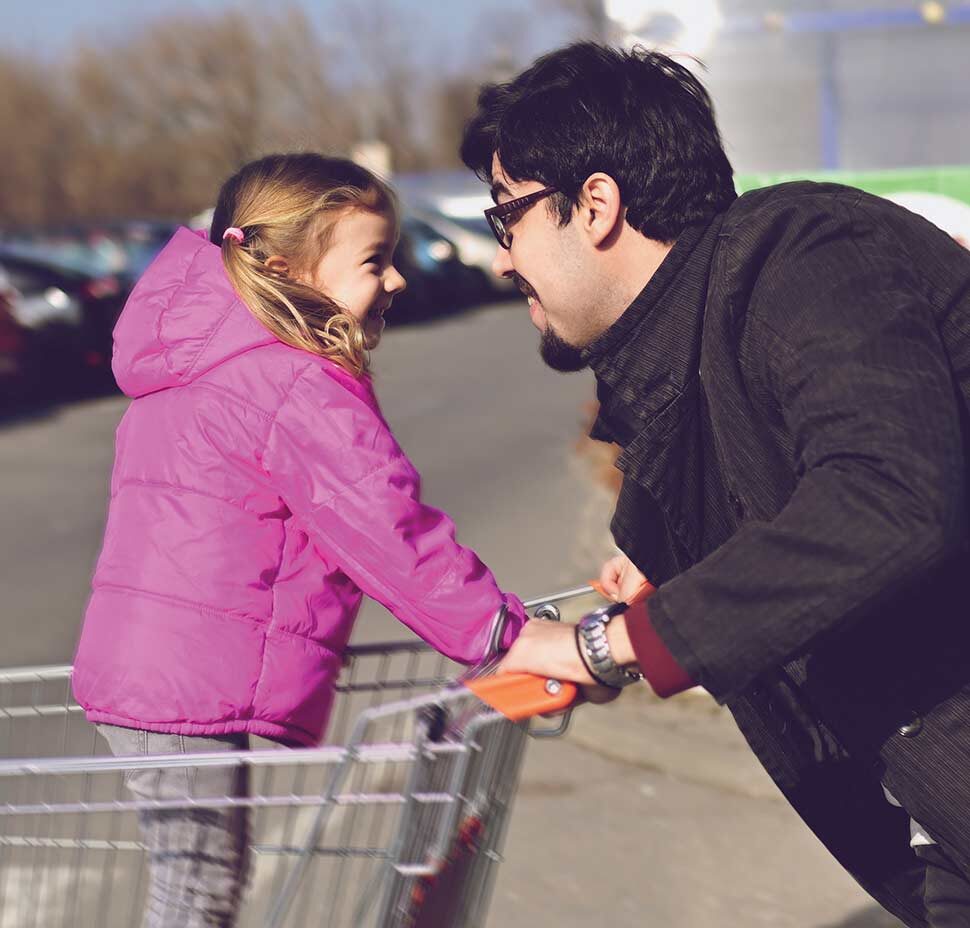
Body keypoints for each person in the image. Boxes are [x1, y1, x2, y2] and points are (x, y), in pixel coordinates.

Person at [469, 42, 970, 927]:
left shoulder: (803, 251)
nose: (503, 258)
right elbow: (748, 463)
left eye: (505, 216)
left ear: (594, 205)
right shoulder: (692, 335)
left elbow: (886, 499)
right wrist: (660, 557)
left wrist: (608, 647)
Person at [70, 153, 526, 928]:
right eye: (374, 261)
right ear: (286, 270)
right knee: (196, 894)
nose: (397, 280)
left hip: (166, 667)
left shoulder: (214, 361)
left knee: (198, 887)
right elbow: (388, 530)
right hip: (181, 680)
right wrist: (502, 634)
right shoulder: (290, 382)